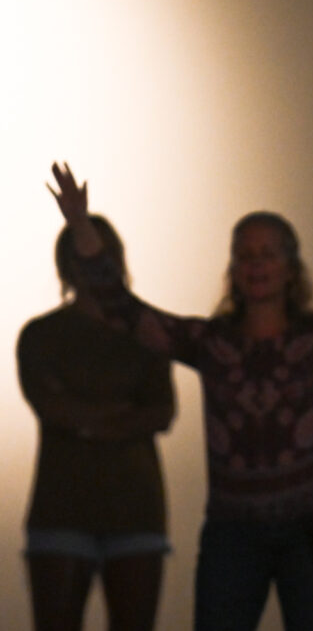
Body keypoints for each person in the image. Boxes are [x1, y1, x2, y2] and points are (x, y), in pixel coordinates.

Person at [47, 144, 313, 631]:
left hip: (312, 530)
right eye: (245, 255)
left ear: (290, 267)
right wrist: (81, 227)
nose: (256, 264)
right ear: (233, 269)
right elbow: (124, 310)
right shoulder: (210, 342)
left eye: (267, 254)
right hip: (233, 532)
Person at [18, 215, 176, 631]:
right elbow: (52, 407)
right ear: (65, 264)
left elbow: (161, 411)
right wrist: (122, 413)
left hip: (135, 509)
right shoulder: (41, 334)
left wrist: (85, 418)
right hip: (62, 509)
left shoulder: (146, 333)